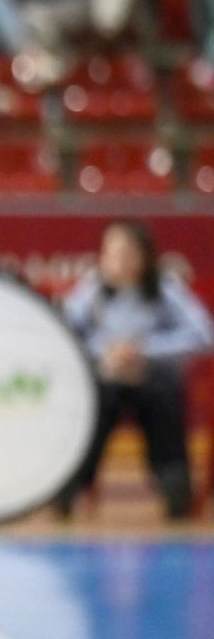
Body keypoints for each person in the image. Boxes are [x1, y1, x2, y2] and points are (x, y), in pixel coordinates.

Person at [58, 221, 214, 519]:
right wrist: (108, 352)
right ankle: (71, 485)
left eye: (127, 252)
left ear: (145, 256)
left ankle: (174, 486)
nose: (119, 261)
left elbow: (203, 334)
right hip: (106, 378)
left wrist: (144, 350)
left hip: (153, 378)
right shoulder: (91, 290)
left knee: (165, 397)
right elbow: (65, 334)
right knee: (91, 404)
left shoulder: (166, 289)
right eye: (111, 253)